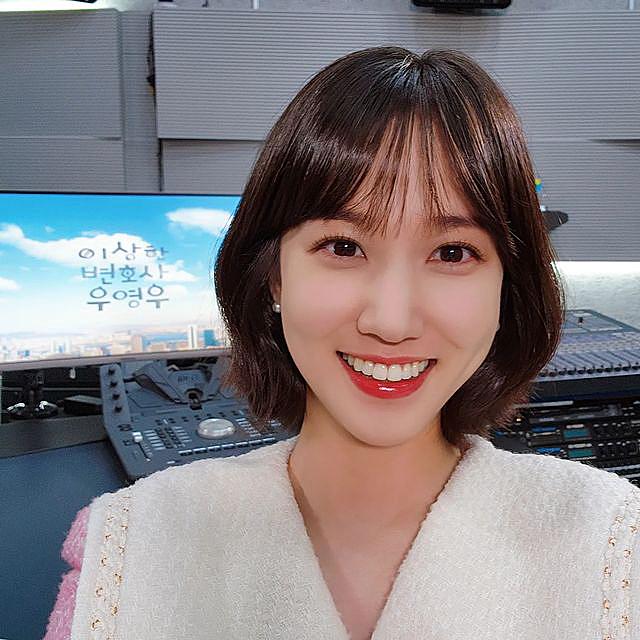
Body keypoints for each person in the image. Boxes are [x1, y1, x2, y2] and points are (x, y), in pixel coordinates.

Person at [45, 46, 640, 640]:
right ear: (274, 276)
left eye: (452, 252)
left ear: (506, 289)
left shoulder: (611, 545)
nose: (391, 321)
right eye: (344, 247)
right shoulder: (130, 549)